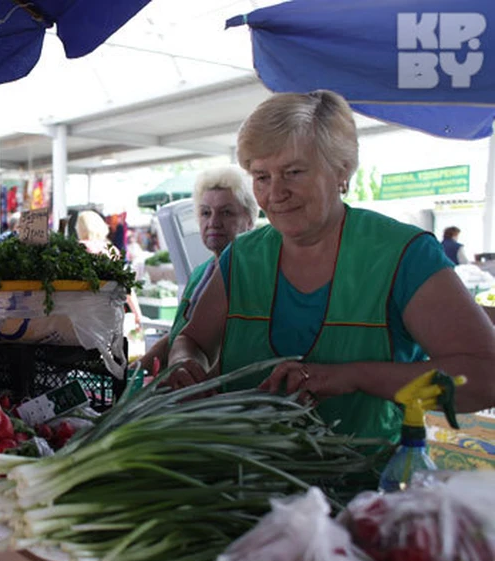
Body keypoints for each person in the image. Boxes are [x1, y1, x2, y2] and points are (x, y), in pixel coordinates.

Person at [167, 90, 495, 442]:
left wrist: (353, 376)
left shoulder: (404, 255)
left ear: (342, 170)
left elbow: (484, 377)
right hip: (242, 476)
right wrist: (184, 363)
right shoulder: (242, 258)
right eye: (262, 177)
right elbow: (193, 340)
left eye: (293, 172)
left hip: (370, 485)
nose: (276, 193)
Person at [138, 166, 258, 370]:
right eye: (205, 213)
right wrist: (137, 370)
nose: (213, 222)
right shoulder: (201, 273)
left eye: (226, 212)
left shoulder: (252, 275)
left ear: (249, 220)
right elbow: (180, 335)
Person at [76, 210, 143, 329]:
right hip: (108, 314)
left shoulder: (77, 249)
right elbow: (126, 285)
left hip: (82, 315)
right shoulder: (111, 250)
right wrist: (137, 314)